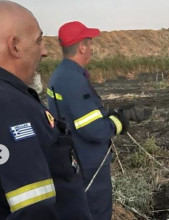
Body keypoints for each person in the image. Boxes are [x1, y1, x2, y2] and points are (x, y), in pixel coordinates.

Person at [0, 1, 92, 220]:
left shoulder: (15, 96)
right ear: (15, 46)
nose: (45, 51)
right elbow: (33, 208)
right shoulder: (9, 106)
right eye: (39, 40)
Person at [47, 21, 142, 220]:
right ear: (81, 47)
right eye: (89, 43)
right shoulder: (73, 80)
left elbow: (76, 116)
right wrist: (120, 122)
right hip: (89, 163)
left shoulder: (60, 75)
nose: (91, 48)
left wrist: (113, 113)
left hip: (74, 160)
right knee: (97, 212)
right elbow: (92, 129)